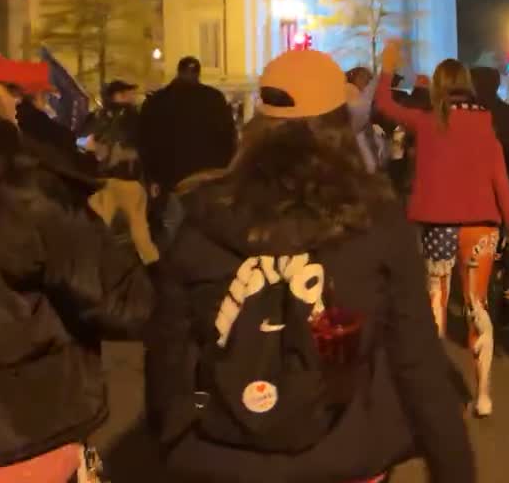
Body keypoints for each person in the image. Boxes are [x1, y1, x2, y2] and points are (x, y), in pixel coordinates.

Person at [145, 48, 474, 483]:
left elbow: (168, 350)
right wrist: (453, 468)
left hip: (224, 456)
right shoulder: (372, 217)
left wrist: (174, 439)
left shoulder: (204, 216)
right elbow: (416, 359)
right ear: (338, 123)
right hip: (346, 449)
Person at [0, 29, 153, 482]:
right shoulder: (19, 194)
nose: (17, 101)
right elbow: (125, 303)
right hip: (24, 443)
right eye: (6, 89)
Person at [375, 42, 509, 419]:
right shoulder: (486, 122)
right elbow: (499, 175)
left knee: (435, 300)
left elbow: (385, 107)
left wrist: (387, 69)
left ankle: (433, 392)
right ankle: (483, 393)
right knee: (477, 306)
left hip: (438, 223)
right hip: (481, 225)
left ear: (438, 85)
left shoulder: (428, 120)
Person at [140, 56, 237, 196]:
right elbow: (228, 136)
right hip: (207, 175)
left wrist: (152, 176)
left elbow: (146, 141)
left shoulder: (157, 101)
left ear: (178, 72)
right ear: (198, 73)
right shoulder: (214, 98)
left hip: (169, 176)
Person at [84, 80, 157, 265]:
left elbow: (83, 142)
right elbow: (147, 148)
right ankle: (152, 266)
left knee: (99, 228)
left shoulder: (98, 117)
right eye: (128, 93)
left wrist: (98, 150)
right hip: (128, 180)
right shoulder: (136, 118)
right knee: (140, 231)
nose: (132, 97)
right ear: (119, 95)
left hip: (102, 181)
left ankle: (95, 266)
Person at [345, 66, 384, 174]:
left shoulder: (366, 97)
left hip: (364, 131)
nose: (365, 81)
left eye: (367, 78)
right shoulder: (352, 100)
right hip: (357, 133)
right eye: (362, 77)